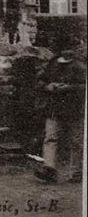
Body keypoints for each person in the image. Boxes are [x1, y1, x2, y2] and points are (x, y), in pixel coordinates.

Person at [34, 47, 86, 184]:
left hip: (74, 108)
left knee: (76, 141)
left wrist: (69, 87)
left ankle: (76, 172)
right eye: (65, 48)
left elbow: (84, 86)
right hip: (54, 108)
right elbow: (39, 81)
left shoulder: (80, 66)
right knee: (50, 138)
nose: (68, 52)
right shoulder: (51, 65)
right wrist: (47, 86)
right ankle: (49, 169)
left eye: (71, 49)